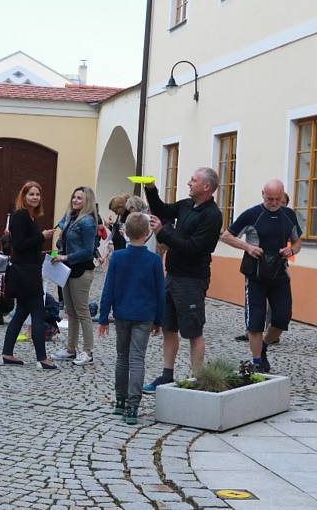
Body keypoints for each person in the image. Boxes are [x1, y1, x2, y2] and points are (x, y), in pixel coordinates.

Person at [142, 167, 223, 393]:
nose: (189, 183)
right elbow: (163, 209)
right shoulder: (187, 205)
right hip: (173, 275)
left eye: (193, 180)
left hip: (192, 280)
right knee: (169, 327)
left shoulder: (212, 215)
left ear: (206, 187)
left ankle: (198, 379)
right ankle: (167, 375)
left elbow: (194, 248)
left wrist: (163, 233)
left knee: (193, 331)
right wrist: (151, 188)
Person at [219, 179, 301, 373]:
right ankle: (257, 362)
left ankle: (263, 346)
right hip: (255, 274)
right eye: (270, 198)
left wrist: (292, 251)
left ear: (283, 197)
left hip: (279, 274)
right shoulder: (252, 214)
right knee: (255, 321)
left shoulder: (289, 215)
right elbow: (226, 236)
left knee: (282, 319)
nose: (273, 202)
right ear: (263, 193)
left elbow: (297, 242)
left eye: (277, 199)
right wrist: (248, 247)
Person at [98, 213, 165, 425]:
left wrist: (102, 317)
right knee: (137, 359)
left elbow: (108, 288)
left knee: (122, 357)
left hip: (122, 314)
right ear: (147, 233)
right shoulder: (154, 260)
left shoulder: (117, 257)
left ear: (125, 232)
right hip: (144, 315)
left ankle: (120, 401)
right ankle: (133, 406)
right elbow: (159, 292)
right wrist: (159, 320)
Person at [1, 182, 57, 370]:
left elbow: (28, 247)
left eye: (38, 194)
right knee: (37, 314)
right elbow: (19, 244)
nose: (35, 197)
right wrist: (42, 236)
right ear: (24, 196)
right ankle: (41, 358)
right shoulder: (20, 215)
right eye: (31, 194)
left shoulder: (30, 217)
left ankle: (7, 353)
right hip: (25, 273)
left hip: (29, 270)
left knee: (21, 313)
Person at [51, 186, 98, 366]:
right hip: (68, 269)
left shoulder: (87, 222)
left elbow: (87, 251)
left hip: (81, 270)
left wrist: (65, 256)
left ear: (87, 202)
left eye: (79, 198)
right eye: (74, 197)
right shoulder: (72, 217)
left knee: (82, 311)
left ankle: (88, 350)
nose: (75, 200)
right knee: (70, 312)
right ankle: (71, 348)